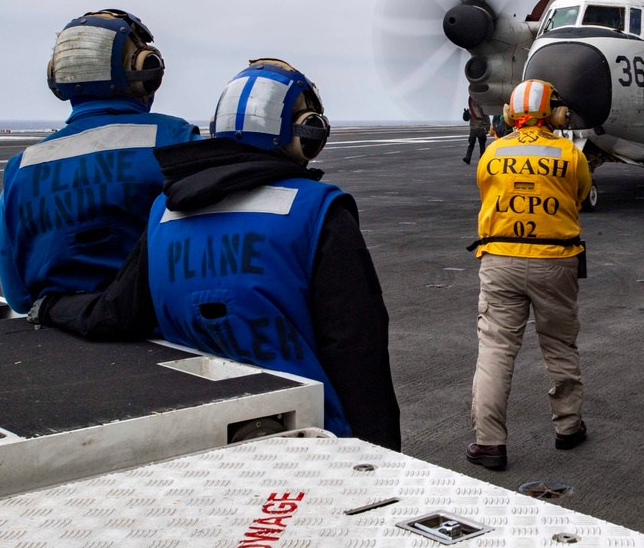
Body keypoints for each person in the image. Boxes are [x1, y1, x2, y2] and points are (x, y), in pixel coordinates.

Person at [29, 59, 401, 451]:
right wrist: (384, 461)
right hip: (311, 436)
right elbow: (358, 354)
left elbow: (116, 314)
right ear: (307, 133)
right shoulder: (317, 210)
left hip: (200, 436)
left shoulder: (164, 213)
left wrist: (52, 307)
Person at [0, 9, 200, 314]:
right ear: (147, 69)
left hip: (58, 334)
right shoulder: (176, 139)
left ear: (57, 76)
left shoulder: (20, 167)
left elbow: (18, 297)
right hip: (158, 333)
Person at [464, 79, 592, 470]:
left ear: (509, 114)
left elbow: (487, 192)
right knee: (559, 346)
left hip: (500, 259)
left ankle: (489, 444)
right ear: (555, 114)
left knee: (495, 351)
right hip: (555, 261)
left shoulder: (493, 154)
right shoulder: (569, 153)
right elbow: (580, 195)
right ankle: (568, 428)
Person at [462, 96, 489, 164]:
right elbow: (466, 119)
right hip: (474, 129)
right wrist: (465, 115)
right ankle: (468, 158)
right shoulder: (471, 110)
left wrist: (487, 128)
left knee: (481, 146)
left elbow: (487, 119)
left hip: (480, 129)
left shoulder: (482, 110)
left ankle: (481, 159)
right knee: (471, 145)